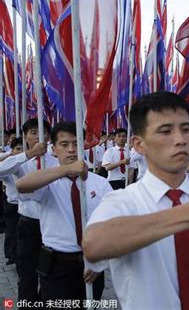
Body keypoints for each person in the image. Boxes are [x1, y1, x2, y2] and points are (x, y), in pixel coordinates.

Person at [82, 92, 189, 309]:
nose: (180, 140)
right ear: (139, 144)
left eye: (186, 129)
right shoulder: (124, 201)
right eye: (166, 131)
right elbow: (95, 245)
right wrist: (187, 214)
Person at [16, 121, 110, 302]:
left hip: (92, 263)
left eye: (76, 143)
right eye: (64, 144)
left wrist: (101, 260)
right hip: (56, 265)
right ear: (54, 148)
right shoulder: (48, 182)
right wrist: (66, 169)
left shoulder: (100, 183)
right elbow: (21, 185)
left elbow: (112, 224)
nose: (71, 150)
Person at [0, 118, 58, 302]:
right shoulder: (20, 161)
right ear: (25, 136)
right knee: (27, 275)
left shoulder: (55, 162)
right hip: (28, 225)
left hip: (51, 224)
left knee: (50, 274)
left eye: (43, 133)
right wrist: (29, 154)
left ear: (49, 137)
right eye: (33, 133)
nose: (39, 137)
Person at [1, 138, 23, 265]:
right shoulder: (8, 166)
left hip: (25, 207)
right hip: (12, 205)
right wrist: (9, 155)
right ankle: (12, 255)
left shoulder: (27, 164)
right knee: (11, 232)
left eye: (22, 149)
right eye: (17, 149)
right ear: (12, 150)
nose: (19, 151)